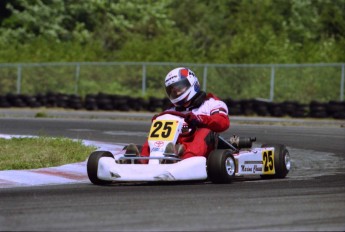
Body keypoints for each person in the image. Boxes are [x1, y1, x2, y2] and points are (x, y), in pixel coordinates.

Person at [126, 67, 230, 162]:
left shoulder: (211, 104)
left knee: (205, 131)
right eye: (173, 91)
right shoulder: (171, 110)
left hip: (203, 148)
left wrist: (200, 119)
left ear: (192, 83)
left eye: (180, 88)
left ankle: (185, 160)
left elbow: (222, 122)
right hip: (174, 145)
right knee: (154, 133)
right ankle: (143, 160)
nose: (177, 93)